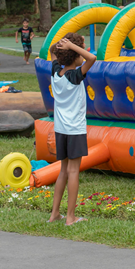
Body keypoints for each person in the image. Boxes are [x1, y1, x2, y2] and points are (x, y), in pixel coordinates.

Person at [48, 33, 97, 226]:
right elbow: (92, 58)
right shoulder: (75, 76)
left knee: (63, 171)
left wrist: (64, 46)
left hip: (60, 129)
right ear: (75, 55)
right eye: (80, 50)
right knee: (74, 171)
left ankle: (54, 214)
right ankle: (70, 217)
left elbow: (53, 50)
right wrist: (73, 46)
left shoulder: (55, 73)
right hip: (75, 130)